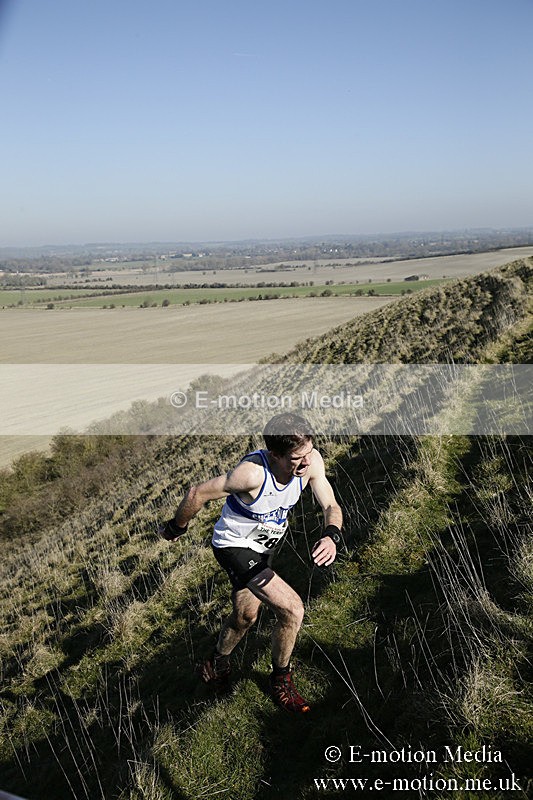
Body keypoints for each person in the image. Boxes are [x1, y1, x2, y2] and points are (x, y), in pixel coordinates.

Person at [159, 412, 343, 713]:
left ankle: (218, 662)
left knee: (245, 617)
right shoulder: (252, 474)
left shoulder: (311, 462)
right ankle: (281, 678)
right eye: (296, 459)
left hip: (263, 548)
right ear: (275, 455)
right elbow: (198, 493)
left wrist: (331, 535)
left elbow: (331, 505)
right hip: (233, 546)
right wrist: (175, 527)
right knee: (293, 609)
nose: (306, 463)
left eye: (308, 453)